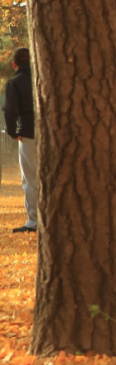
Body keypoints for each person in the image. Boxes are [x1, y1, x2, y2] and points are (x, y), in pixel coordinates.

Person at [3, 47, 36, 233]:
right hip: (49, 131)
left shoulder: (15, 82)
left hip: (28, 133)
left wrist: (13, 132)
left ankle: (34, 221)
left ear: (14, 64)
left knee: (30, 178)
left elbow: (10, 110)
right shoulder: (43, 77)